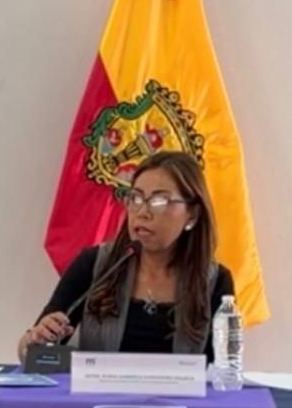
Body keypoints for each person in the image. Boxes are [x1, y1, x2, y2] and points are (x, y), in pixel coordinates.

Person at [18, 151, 234, 363]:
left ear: (192, 215)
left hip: (183, 390)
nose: (143, 212)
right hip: (100, 389)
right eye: (136, 198)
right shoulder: (94, 264)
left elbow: (226, 369)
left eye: (159, 201)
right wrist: (35, 340)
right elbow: (32, 352)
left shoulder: (215, 282)